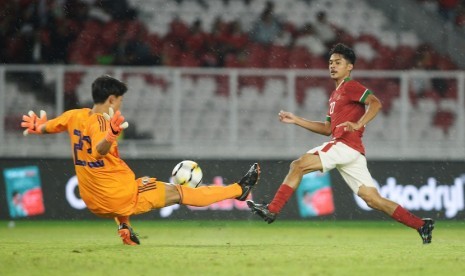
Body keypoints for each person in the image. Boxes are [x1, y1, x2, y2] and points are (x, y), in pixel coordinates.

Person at [21, 75, 260, 245]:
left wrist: (37, 126)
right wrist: (110, 136)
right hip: (120, 196)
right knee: (178, 192)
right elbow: (98, 151)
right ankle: (239, 190)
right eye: (120, 100)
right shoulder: (103, 124)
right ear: (112, 99)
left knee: (120, 181)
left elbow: (48, 127)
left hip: (93, 201)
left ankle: (123, 226)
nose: (121, 104)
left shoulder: (74, 115)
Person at [246, 43, 435, 244]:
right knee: (373, 200)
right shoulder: (335, 95)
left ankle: (273, 209)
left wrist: (359, 123)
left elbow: (376, 103)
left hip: (345, 145)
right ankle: (421, 225)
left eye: (338, 62)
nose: (332, 66)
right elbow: (327, 129)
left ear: (349, 67)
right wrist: (297, 120)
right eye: (330, 63)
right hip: (352, 151)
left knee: (298, 165)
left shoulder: (351, 87)